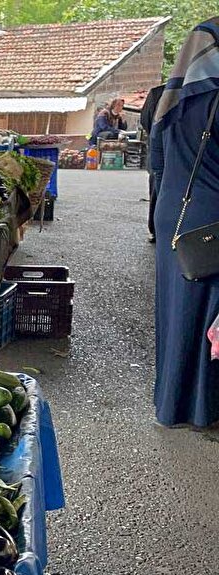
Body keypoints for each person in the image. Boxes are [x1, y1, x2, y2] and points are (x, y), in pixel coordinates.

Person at [150, 16, 219, 429]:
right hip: (212, 218)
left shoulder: (171, 98)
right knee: (209, 315)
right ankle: (204, 410)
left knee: (178, 312)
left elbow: (156, 161)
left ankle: (171, 403)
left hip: (174, 215)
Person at [141, 84, 167, 243]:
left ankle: (156, 230)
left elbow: (145, 121)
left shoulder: (157, 93)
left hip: (158, 149)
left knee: (157, 190)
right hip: (167, 151)